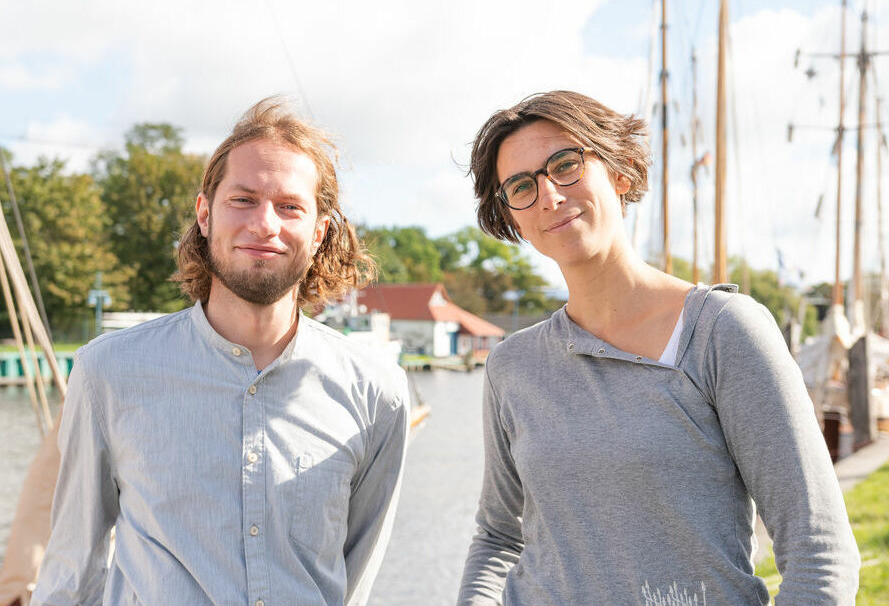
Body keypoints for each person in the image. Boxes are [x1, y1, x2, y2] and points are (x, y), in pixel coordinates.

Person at [457, 90, 860, 604]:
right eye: (521, 186)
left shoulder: (723, 332)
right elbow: (498, 537)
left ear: (620, 171)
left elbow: (817, 548)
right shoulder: (512, 366)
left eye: (565, 165)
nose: (550, 196)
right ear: (514, 217)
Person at [32, 98, 410, 606]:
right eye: (244, 199)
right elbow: (71, 572)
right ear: (205, 214)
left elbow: (355, 577)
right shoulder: (109, 372)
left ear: (319, 233)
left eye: (291, 206)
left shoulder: (377, 390)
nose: (265, 224)